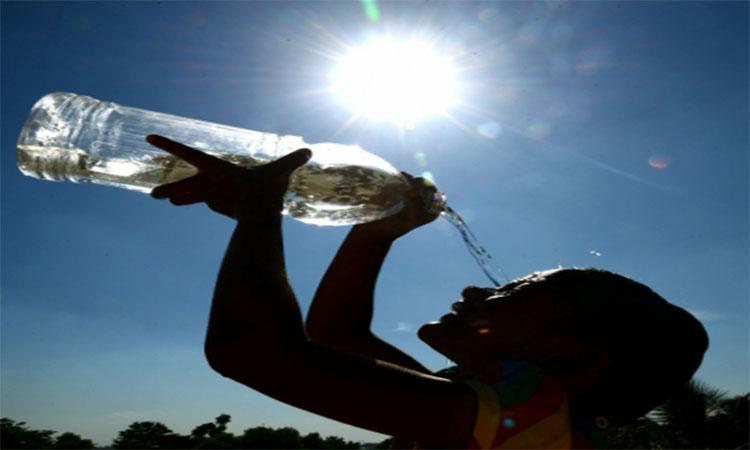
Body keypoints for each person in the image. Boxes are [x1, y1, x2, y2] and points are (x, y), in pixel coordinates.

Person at [146, 134, 709, 449]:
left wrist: (259, 212)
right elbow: (336, 336)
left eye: (513, 294)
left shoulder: (538, 427)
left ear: (577, 355)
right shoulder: (487, 409)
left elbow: (255, 353)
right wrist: (375, 231)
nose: (474, 288)